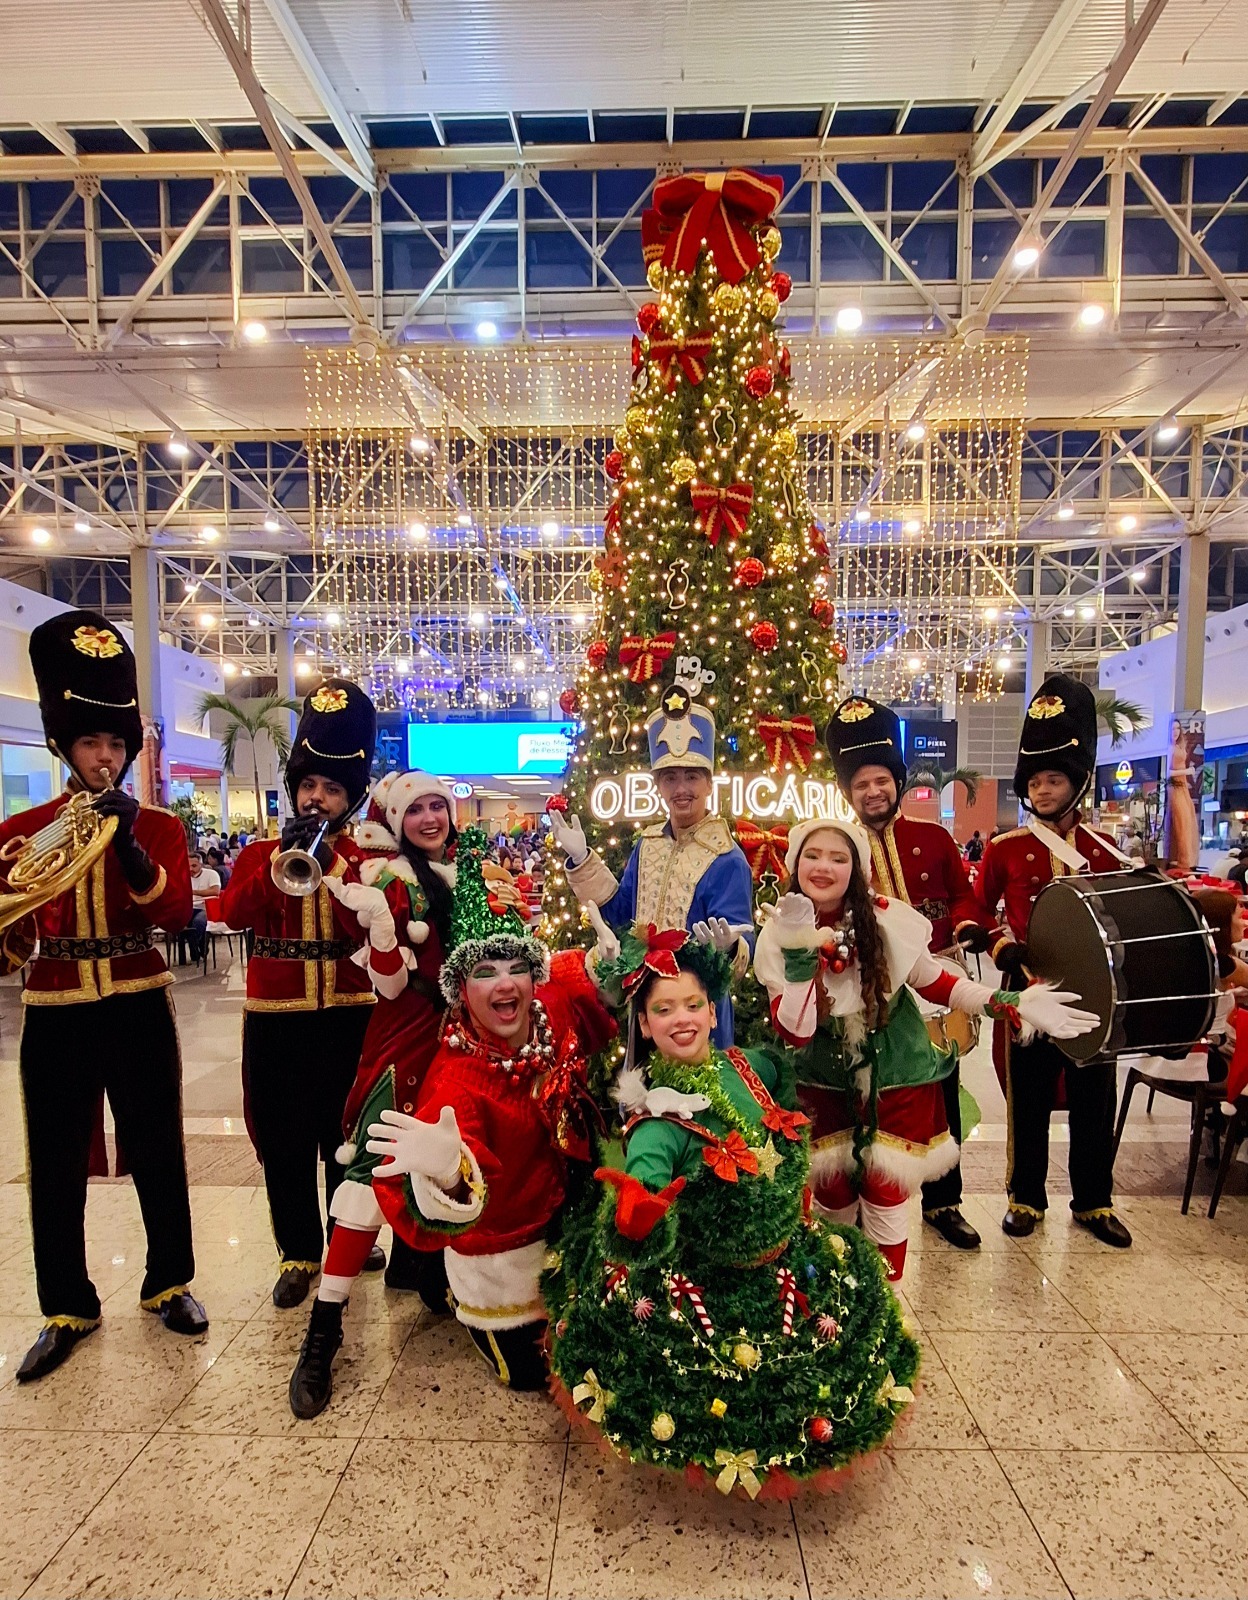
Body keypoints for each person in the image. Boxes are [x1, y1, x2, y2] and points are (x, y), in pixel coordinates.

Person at [544, 926, 923, 1499]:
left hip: (791, 1259)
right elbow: (644, 1183)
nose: (682, 1019)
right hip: (715, 1286)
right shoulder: (657, 1125)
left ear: (711, 1009)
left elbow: (786, 1075)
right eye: (663, 1009)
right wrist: (638, 1215)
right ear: (643, 1025)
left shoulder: (748, 1066)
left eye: (693, 1004)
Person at [291, 827, 615, 1416]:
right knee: (531, 1374)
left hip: (568, 1221)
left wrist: (615, 969)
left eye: (518, 968)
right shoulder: (456, 1081)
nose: (506, 983)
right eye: (485, 971)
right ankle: (328, 1324)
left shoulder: (550, 1009)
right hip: (504, 1251)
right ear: (462, 989)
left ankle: (433, 1279)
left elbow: (591, 986)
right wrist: (448, 1173)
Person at [1, 609, 207, 1383]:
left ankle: (169, 1282)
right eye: (90, 742)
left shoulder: (157, 826)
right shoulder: (24, 829)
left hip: (137, 996)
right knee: (53, 1159)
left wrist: (127, 846)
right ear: (63, 744)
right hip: (54, 1002)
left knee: (158, 1146)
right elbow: (10, 942)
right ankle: (66, 1306)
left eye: (116, 744)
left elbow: (173, 914)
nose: (105, 757)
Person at [753, 819, 1092, 1280]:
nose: (823, 867)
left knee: (886, 1193)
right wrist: (798, 950)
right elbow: (796, 1031)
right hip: (821, 1081)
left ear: (856, 869)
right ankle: (840, 1299)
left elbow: (940, 983)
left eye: (838, 857)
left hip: (898, 1078)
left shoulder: (885, 920)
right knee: (831, 1196)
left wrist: (1011, 1002)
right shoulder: (778, 935)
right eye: (812, 856)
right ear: (795, 865)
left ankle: (884, 1300)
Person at [285, 771, 463, 1418]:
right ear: (397, 820)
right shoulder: (388, 881)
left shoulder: (472, 876)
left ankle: (438, 1276)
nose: (429, 818)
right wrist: (383, 934)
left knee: (456, 1160)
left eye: (438, 806)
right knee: (367, 1177)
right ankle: (323, 1330)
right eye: (416, 809)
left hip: (462, 1043)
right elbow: (387, 987)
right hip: (405, 1043)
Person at [221, 679, 379, 1308]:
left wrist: (334, 868)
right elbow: (234, 913)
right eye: (308, 785)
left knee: (346, 1137)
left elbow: (367, 928)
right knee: (284, 1141)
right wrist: (276, 864)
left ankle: (347, 1239)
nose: (317, 798)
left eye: (332, 789)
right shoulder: (258, 854)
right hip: (275, 1019)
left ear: (351, 799)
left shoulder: (365, 861)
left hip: (349, 1016)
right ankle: (297, 1252)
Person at [975, 673, 1136, 1247]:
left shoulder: (1106, 852)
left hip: (1095, 997)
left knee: (1095, 1098)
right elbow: (977, 909)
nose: (1042, 791)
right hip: (1030, 994)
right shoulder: (1006, 849)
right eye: (1035, 781)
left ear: (1078, 782)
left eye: (1054, 779)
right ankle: (1025, 1197)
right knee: (1030, 1099)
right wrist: (1002, 947)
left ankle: (1094, 1201)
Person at [824, 695, 989, 1251]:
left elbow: (963, 898)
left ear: (896, 782)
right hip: (870, 998)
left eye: (880, 781)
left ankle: (944, 1202)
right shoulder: (841, 850)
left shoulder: (935, 838)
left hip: (934, 987)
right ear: (848, 792)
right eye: (860, 784)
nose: (872, 792)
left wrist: (966, 926)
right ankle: (864, 1200)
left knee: (942, 1091)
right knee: (868, 1097)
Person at [549, 677, 754, 1044]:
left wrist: (729, 950)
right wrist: (582, 857)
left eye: (692, 777)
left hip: (697, 1012)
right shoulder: (648, 845)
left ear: (709, 784)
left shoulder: (728, 858)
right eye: (670, 778)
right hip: (645, 1003)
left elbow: (742, 947)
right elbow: (620, 915)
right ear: (658, 785)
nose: (681, 789)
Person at [185, 847, 221, 962]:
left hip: (206, 908)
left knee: (198, 922)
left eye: (194, 866)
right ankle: (196, 947)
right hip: (188, 907)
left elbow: (215, 891)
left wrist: (193, 892)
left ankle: (197, 947)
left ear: (201, 865)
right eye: (188, 866)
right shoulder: (184, 876)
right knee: (179, 921)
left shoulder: (211, 874)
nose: (190, 869)